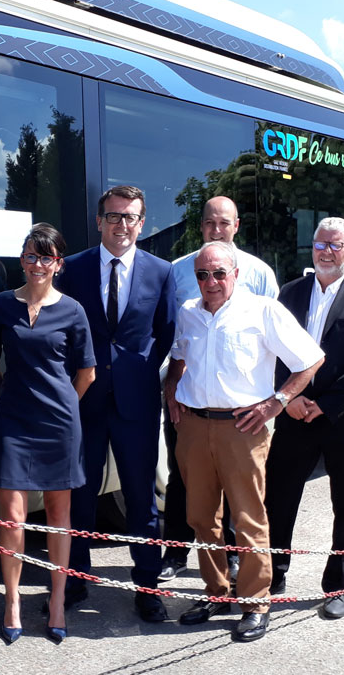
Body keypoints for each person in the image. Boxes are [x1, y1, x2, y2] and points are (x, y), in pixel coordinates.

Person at [165, 241, 323, 642]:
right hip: (195, 428)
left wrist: (278, 402)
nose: (211, 282)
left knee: (249, 518)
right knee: (201, 517)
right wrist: (171, 390)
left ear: (235, 273)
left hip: (244, 429)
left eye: (219, 273)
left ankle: (255, 602)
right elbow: (180, 357)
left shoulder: (262, 310)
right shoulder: (188, 313)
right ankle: (216, 592)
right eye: (203, 275)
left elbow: (309, 358)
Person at [55, 184, 177, 622]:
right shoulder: (72, 268)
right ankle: (75, 579)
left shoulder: (161, 272)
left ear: (142, 223)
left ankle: (147, 585)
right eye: (113, 216)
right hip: (84, 401)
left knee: (141, 497)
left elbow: (164, 333)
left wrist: (137, 371)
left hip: (136, 403)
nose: (121, 225)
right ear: (99, 221)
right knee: (80, 493)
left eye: (130, 217)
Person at [265, 217, 344, 619]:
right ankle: (272, 575)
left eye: (336, 245)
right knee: (279, 499)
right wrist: (290, 398)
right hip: (295, 417)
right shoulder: (291, 292)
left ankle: (337, 586)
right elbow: (273, 351)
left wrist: (325, 404)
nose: (326, 251)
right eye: (321, 243)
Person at [0, 223, 96, 645]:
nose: (36, 264)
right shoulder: (0, 305)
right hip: (14, 422)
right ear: (22, 259)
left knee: (58, 518)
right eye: (30, 255)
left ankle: (56, 601)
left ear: (58, 264)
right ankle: (11, 600)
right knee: (12, 518)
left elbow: (87, 373)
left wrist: (64, 404)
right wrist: (8, 399)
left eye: (45, 257)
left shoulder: (73, 311)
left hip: (59, 425)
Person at [161, 195, 280, 582]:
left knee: (242, 501)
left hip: (241, 412)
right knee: (187, 485)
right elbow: (176, 340)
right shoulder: (177, 271)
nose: (217, 229)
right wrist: (170, 388)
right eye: (210, 223)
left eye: (224, 223)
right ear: (200, 225)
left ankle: (241, 576)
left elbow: (278, 342)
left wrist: (273, 401)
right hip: (189, 405)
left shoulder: (259, 273)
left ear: (237, 226)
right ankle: (177, 554)